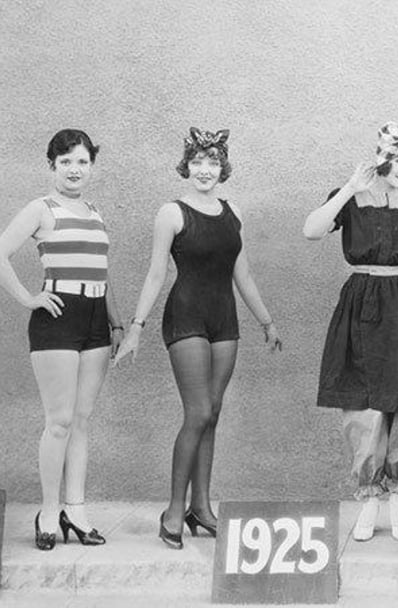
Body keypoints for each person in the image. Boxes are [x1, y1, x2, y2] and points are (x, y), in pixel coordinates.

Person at [113, 127, 282, 549]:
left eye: (212, 162)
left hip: (224, 319)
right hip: (186, 315)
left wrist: (266, 321)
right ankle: (173, 509)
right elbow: (156, 273)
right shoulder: (171, 213)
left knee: (214, 413)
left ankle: (201, 509)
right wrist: (136, 327)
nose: (204, 170)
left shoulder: (233, 212)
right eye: (197, 162)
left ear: (222, 167)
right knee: (198, 412)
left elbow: (242, 273)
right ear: (186, 166)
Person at [303, 121, 398, 542]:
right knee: (365, 401)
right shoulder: (351, 196)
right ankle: (369, 497)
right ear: (382, 157)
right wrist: (350, 188)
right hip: (366, 301)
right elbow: (311, 231)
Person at [0, 129, 119, 550]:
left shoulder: (96, 211)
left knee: (81, 421)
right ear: (52, 167)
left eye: (81, 161)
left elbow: (101, 270)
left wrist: (116, 324)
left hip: (96, 320)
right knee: (59, 422)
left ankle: (75, 510)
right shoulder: (41, 209)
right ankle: (48, 509)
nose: (74, 170)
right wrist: (29, 298)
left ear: (91, 165)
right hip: (58, 319)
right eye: (65, 162)